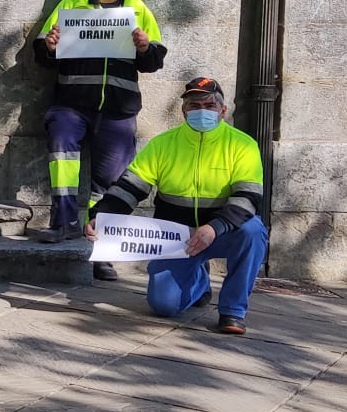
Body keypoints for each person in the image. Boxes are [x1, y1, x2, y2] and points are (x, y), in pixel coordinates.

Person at [86, 77, 267, 335]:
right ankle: (199, 283)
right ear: (183, 110)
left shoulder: (243, 145)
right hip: (176, 238)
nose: (202, 111)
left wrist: (214, 228)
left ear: (223, 110)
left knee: (253, 231)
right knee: (164, 305)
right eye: (194, 105)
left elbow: (248, 198)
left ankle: (232, 311)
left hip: (221, 232)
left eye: (209, 105)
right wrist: (101, 216)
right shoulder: (162, 144)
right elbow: (129, 187)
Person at [33, 0, 168, 282]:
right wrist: (49, 46)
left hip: (118, 110)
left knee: (110, 183)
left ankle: (101, 251)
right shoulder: (70, 4)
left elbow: (155, 60)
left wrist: (144, 47)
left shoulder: (138, 8)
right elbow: (42, 51)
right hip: (71, 104)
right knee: (62, 158)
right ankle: (63, 224)